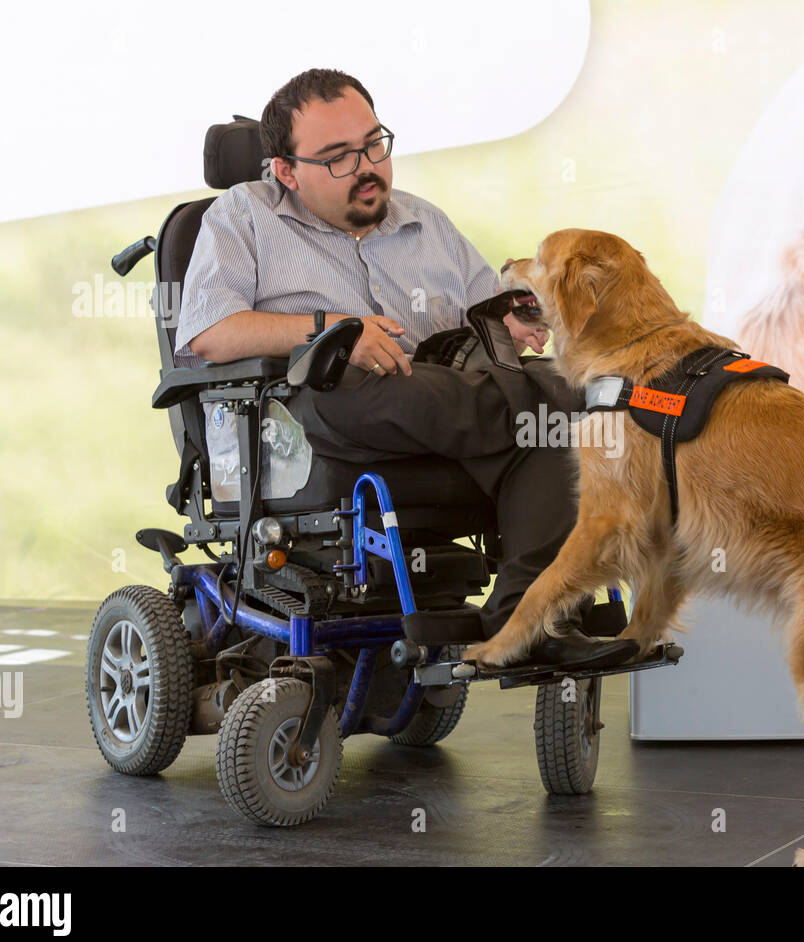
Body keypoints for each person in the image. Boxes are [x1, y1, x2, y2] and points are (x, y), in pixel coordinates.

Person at [174, 68, 636, 668]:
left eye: (372, 144)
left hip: (439, 402)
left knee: (551, 429)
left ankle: (525, 622)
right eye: (338, 158)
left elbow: (482, 312)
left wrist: (509, 322)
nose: (367, 166)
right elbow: (209, 333)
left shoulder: (423, 222)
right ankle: (566, 400)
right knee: (546, 400)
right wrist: (333, 331)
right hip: (307, 409)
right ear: (286, 170)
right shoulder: (243, 217)